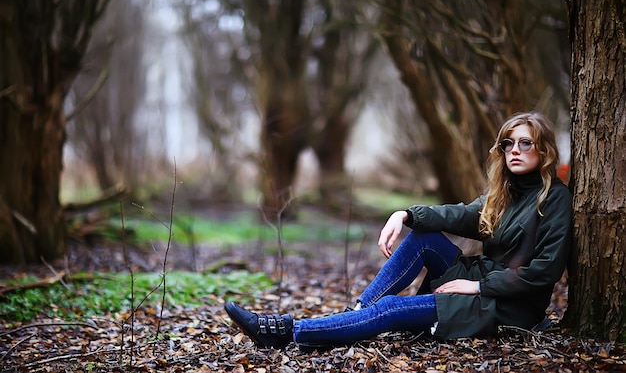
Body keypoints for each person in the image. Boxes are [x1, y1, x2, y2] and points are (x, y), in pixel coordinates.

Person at [224, 111, 572, 349]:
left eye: (524, 143)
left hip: (507, 307)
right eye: (508, 144)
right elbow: (460, 215)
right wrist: (405, 214)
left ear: (544, 149)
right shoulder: (504, 193)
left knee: (391, 309)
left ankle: (286, 333)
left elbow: (543, 274)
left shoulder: (553, 198)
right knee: (424, 237)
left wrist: (478, 285)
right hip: (481, 286)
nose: (514, 150)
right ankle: (359, 311)